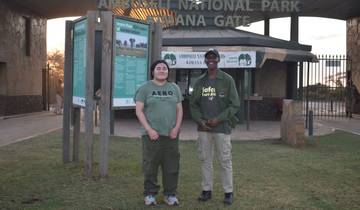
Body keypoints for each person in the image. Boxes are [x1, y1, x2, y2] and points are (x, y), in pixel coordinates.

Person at [190, 49, 240, 205]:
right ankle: (206, 190)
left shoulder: (227, 79)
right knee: (205, 159)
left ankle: (228, 192)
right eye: (208, 58)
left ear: (218, 60)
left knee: (225, 160)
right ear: (205, 61)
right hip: (203, 128)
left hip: (222, 127)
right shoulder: (199, 81)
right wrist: (200, 120)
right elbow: (193, 104)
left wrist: (218, 119)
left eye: (214, 57)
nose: (211, 60)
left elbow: (235, 105)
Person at [135, 60, 183, 206]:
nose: (162, 70)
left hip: (171, 135)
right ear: (152, 71)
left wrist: (176, 128)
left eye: (164, 68)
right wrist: (149, 129)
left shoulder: (174, 88)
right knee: (150, 165)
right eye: (158, 68)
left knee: (172, 166)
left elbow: (179, 110)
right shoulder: (145, 88)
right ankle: (150, 194)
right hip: (151, 135)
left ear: (168, 72)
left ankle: (170, 194)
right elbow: (139, 110)